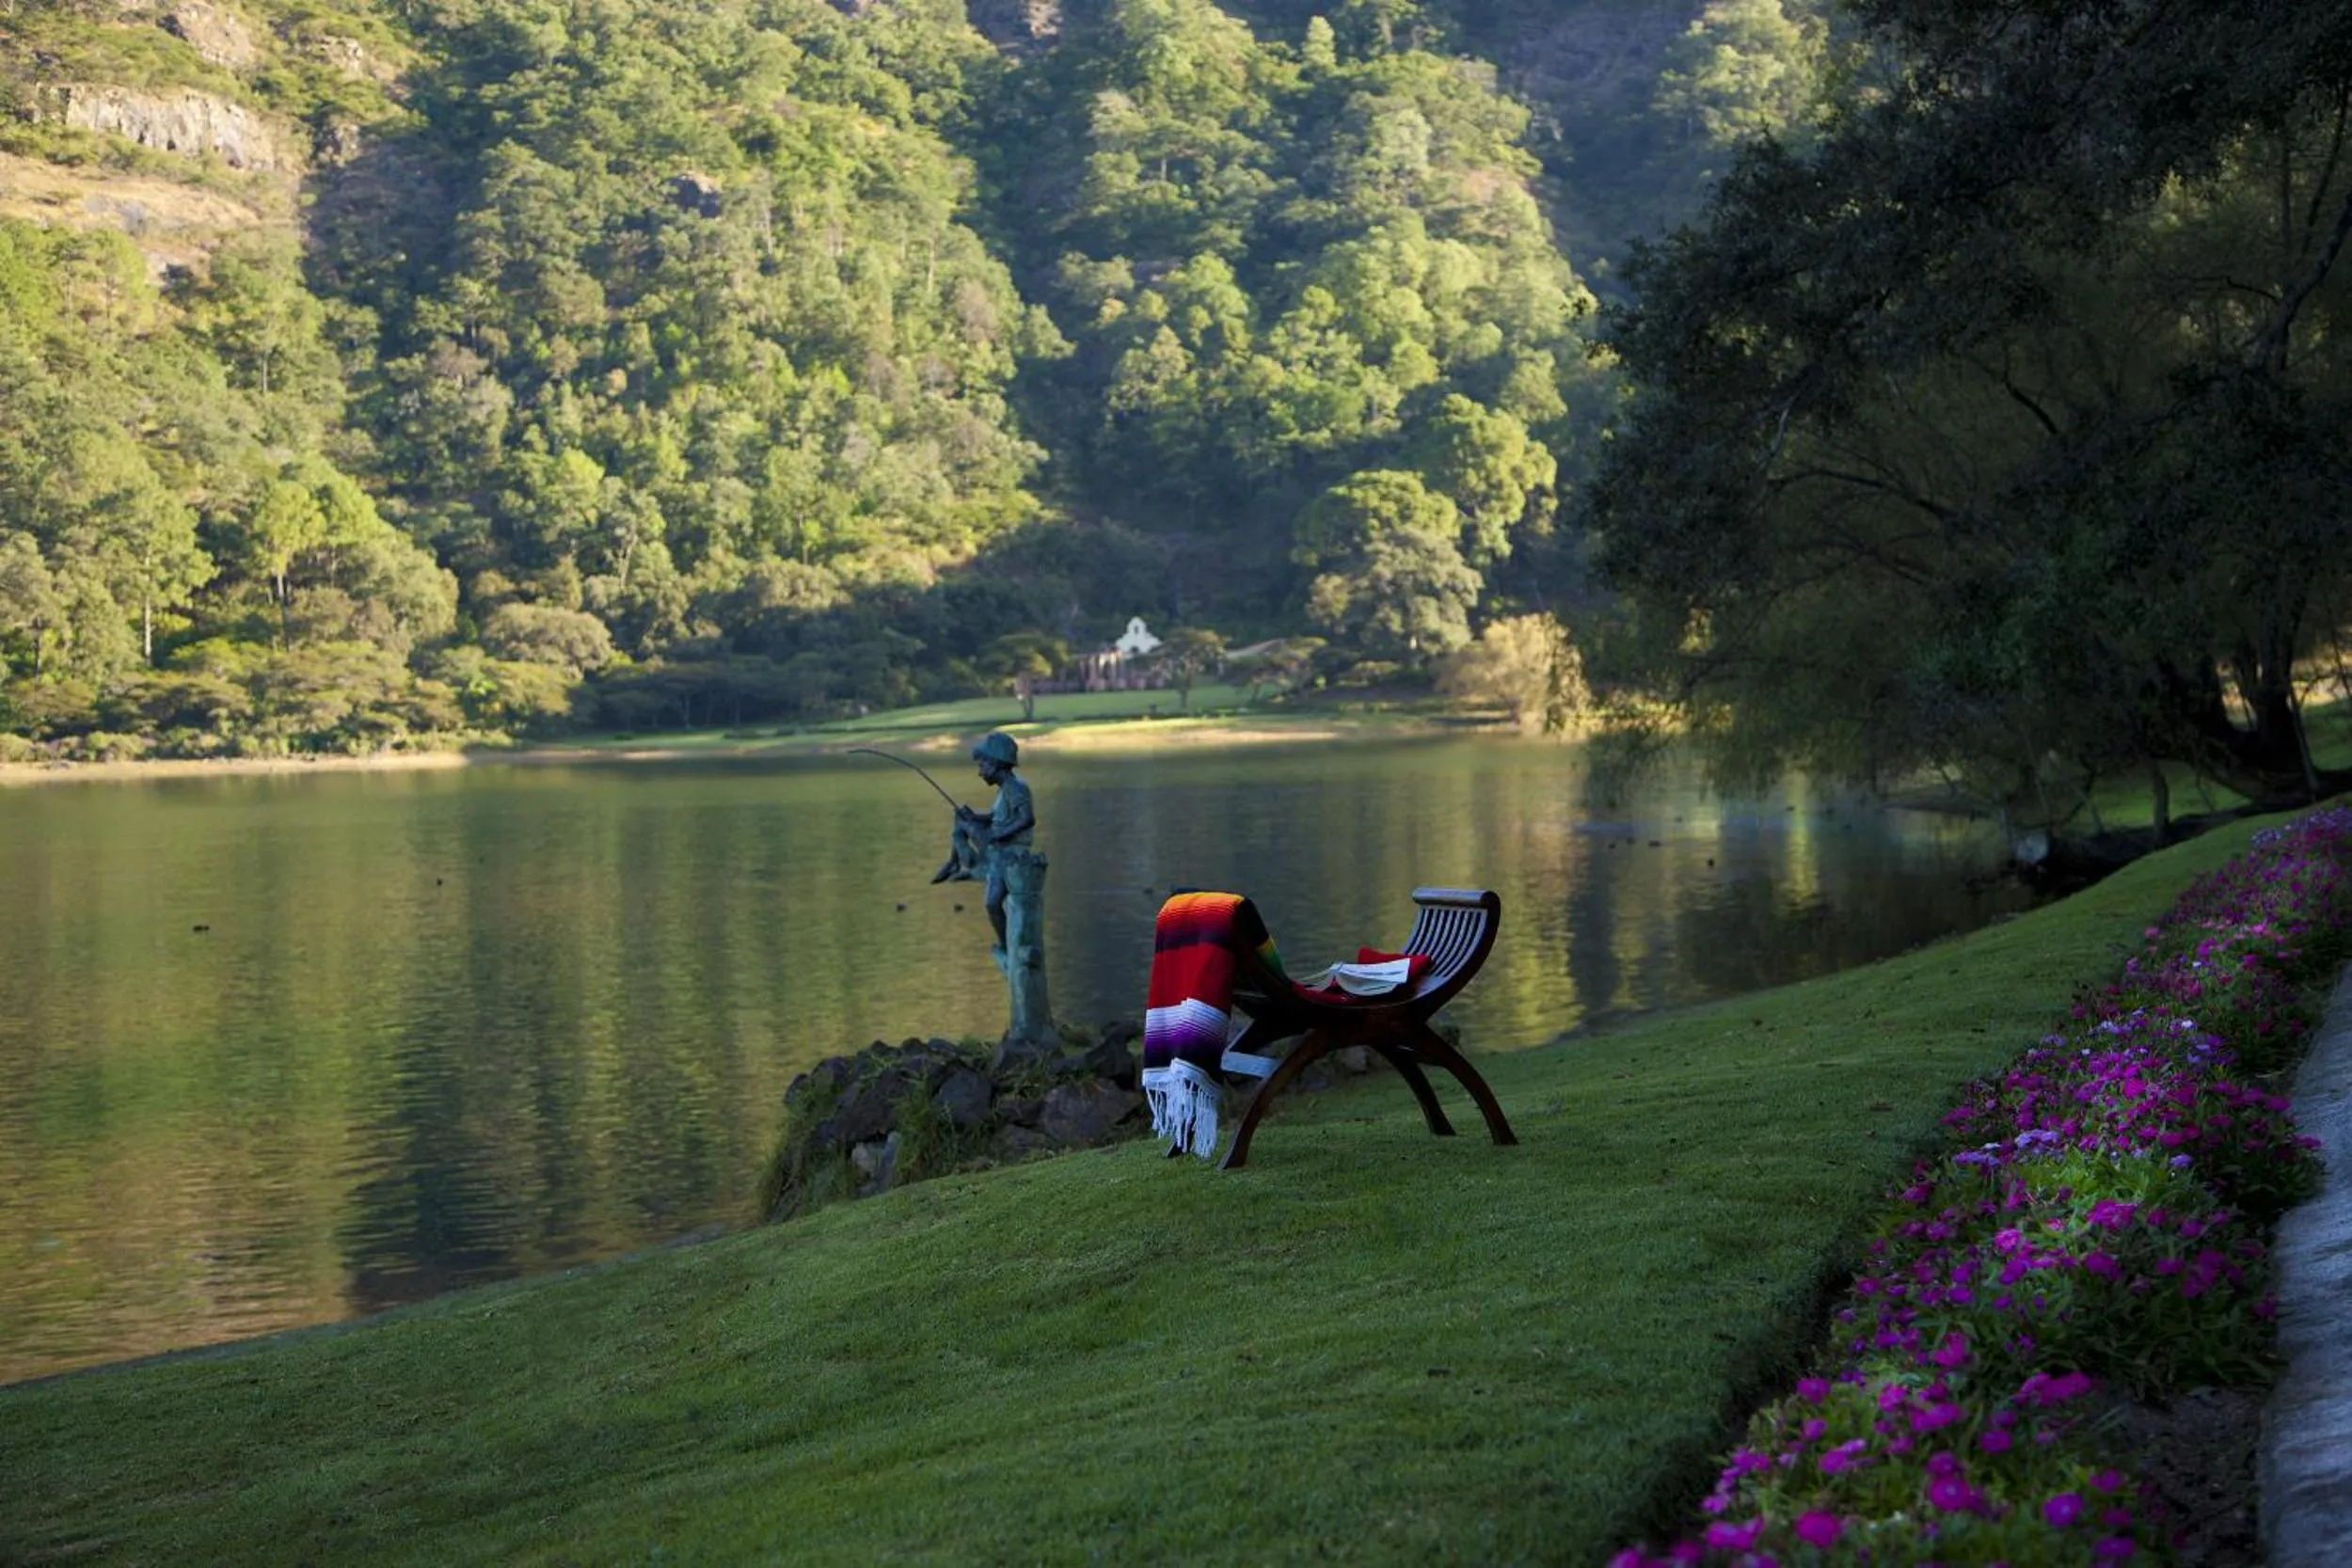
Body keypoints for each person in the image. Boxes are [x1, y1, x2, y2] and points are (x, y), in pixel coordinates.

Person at [930, 732, 1034, 949]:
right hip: (1000, 852)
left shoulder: (1016, 788)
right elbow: (996, 817)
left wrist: (998, 834)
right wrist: (977, 817)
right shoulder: (1004, 791)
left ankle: (958, 861)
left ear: (995, 764)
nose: (979, 772)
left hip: (1011, 854)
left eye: (981, 766)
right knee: (991, 904)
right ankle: (956, 860)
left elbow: (1027, 819)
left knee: (992, 903)